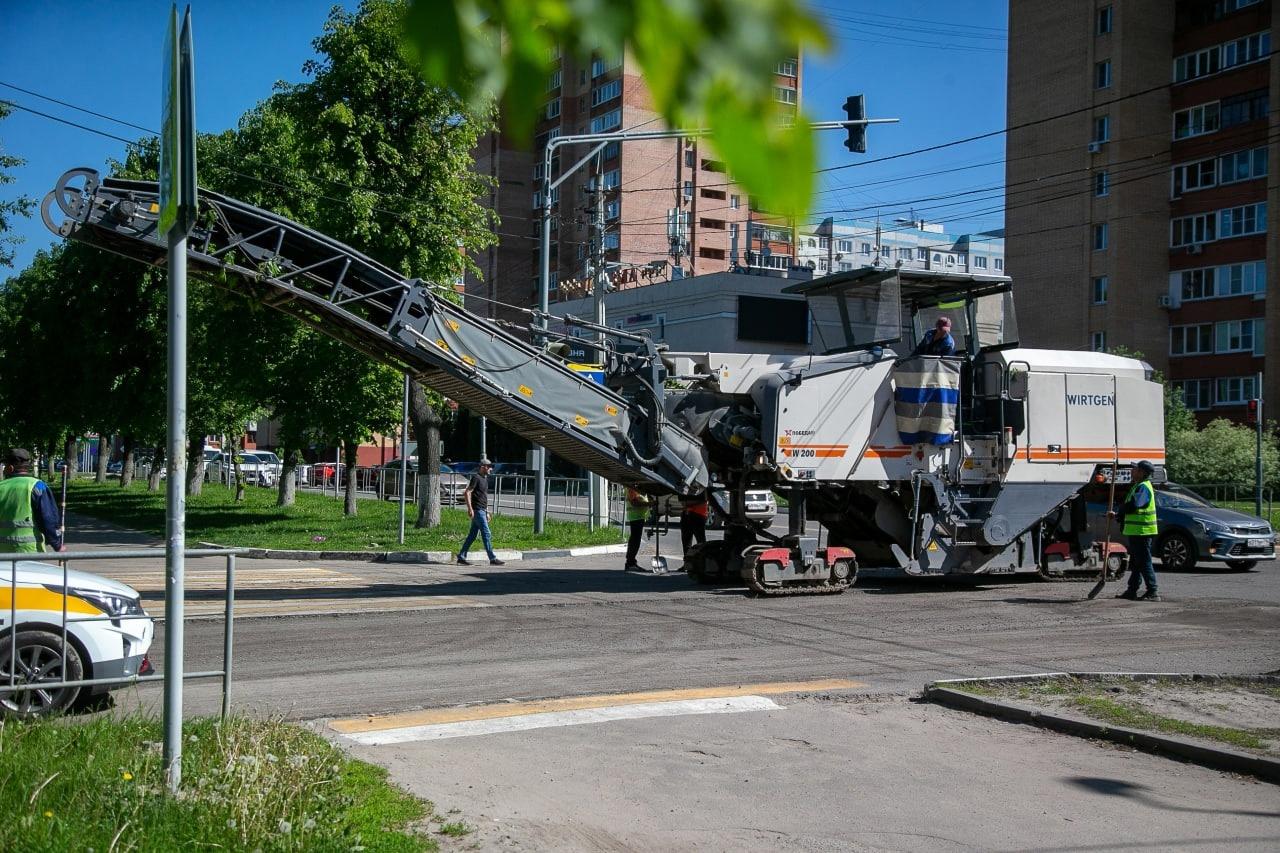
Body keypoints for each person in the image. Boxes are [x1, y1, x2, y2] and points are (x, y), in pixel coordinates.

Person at [0, 448, 66, 553]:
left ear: (10, 468)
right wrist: (57, 544)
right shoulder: (37, 486)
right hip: (29, 551)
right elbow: (48, 517)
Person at [1113, 460, 1159, 602]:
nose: (1132, 471)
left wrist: (1120, 511)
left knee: (1144, 561)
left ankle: (1153, 591)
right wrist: (1118, 515)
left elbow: (1134, 505)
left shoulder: (1143, 487)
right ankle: (1132, 590)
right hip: (1138, 531)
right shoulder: (1138, 486)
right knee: (1137, 562)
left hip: (1143, 531)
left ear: (1142, 472)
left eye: (1135, 469)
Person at [457, 459, 504, 566]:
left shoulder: (484, 479)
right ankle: (492, 558)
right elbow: (467, 492)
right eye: (489, 466)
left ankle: (461, 557)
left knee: (472, 536)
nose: (491, 469)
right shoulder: (476, 478)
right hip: (477, 511)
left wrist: (487, 511)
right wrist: (470, 509)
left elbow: (484, 497)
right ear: (483, 467)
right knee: (486, 533)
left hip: (482, 510)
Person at [624, 487, 652, 571]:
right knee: (635, 540)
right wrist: (649, 504)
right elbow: (634, 503)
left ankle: (631, 562)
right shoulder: (632, 488)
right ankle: (630, 562)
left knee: (635, 539)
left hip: (639, 517)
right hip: (635, 517)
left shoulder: (636, 488)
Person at [679, 491, 709, 557]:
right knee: (686, 542)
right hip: (687, 514)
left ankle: (703, 561)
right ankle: (687, 561)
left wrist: (688, 504)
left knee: (701, 542)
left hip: (698, 515)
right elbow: (682, 501)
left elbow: (704, 499)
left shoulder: (702, 486)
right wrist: (687, 504)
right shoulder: (685, 487)